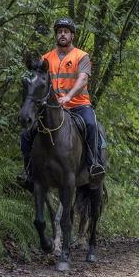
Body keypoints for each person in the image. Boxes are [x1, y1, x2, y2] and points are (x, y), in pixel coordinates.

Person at [20, 17, 105, 182]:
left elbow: (83, 80)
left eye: (66, 31)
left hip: (78, 105)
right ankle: (28, 169)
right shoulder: (46, 59)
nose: (62, 34)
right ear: (56, 35)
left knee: (91, 125)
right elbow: (37, 81)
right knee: (26, 133)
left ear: (72, 35)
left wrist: (68, 96)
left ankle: (94, 165)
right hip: (51, 108)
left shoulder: (82, 56)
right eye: (59, 32)